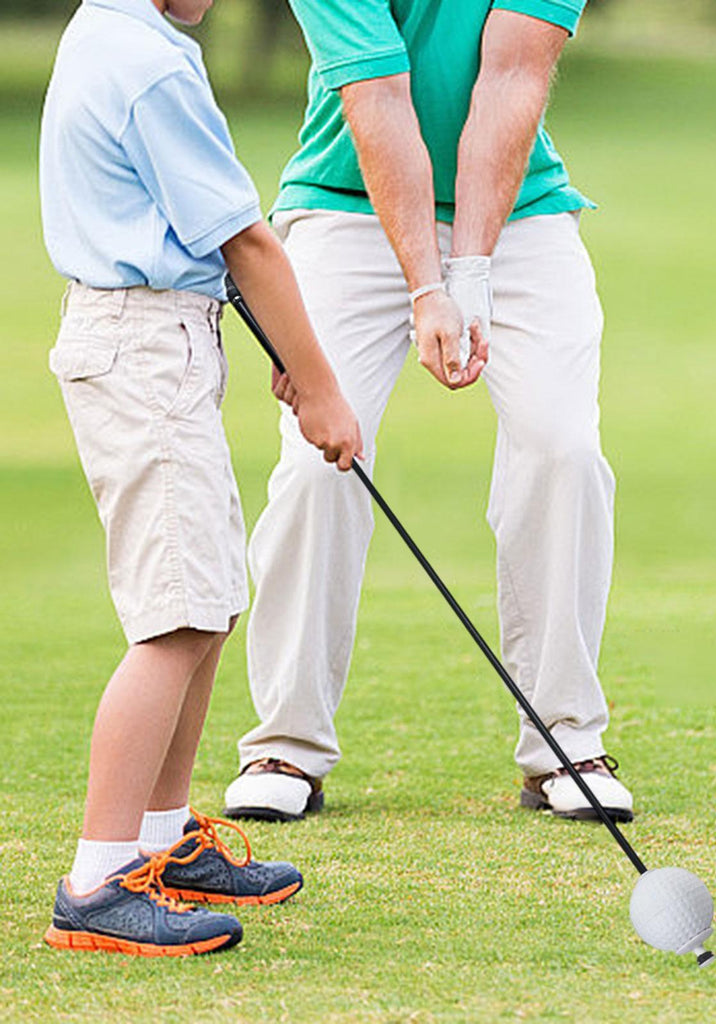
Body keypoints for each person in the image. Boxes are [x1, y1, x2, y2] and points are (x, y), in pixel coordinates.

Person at [224, 0, 634, 825]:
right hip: (346, 202)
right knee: (317, 464)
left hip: (520, 210)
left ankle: (565, 741)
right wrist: (427, 287)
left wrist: (470, 270)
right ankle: (287, 744)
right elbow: (377, 94)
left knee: (563, 448)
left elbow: (511, 75)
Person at [39, 0, 362, 955]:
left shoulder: (108, 32)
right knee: (175, 618)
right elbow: (247, 242)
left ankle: (161, 840)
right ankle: (97, 885)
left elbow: (197, 234)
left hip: (154, 335)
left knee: (208, 603)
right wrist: (320, 387)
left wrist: (285, 350)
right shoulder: (151, 63)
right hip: (145, 347)